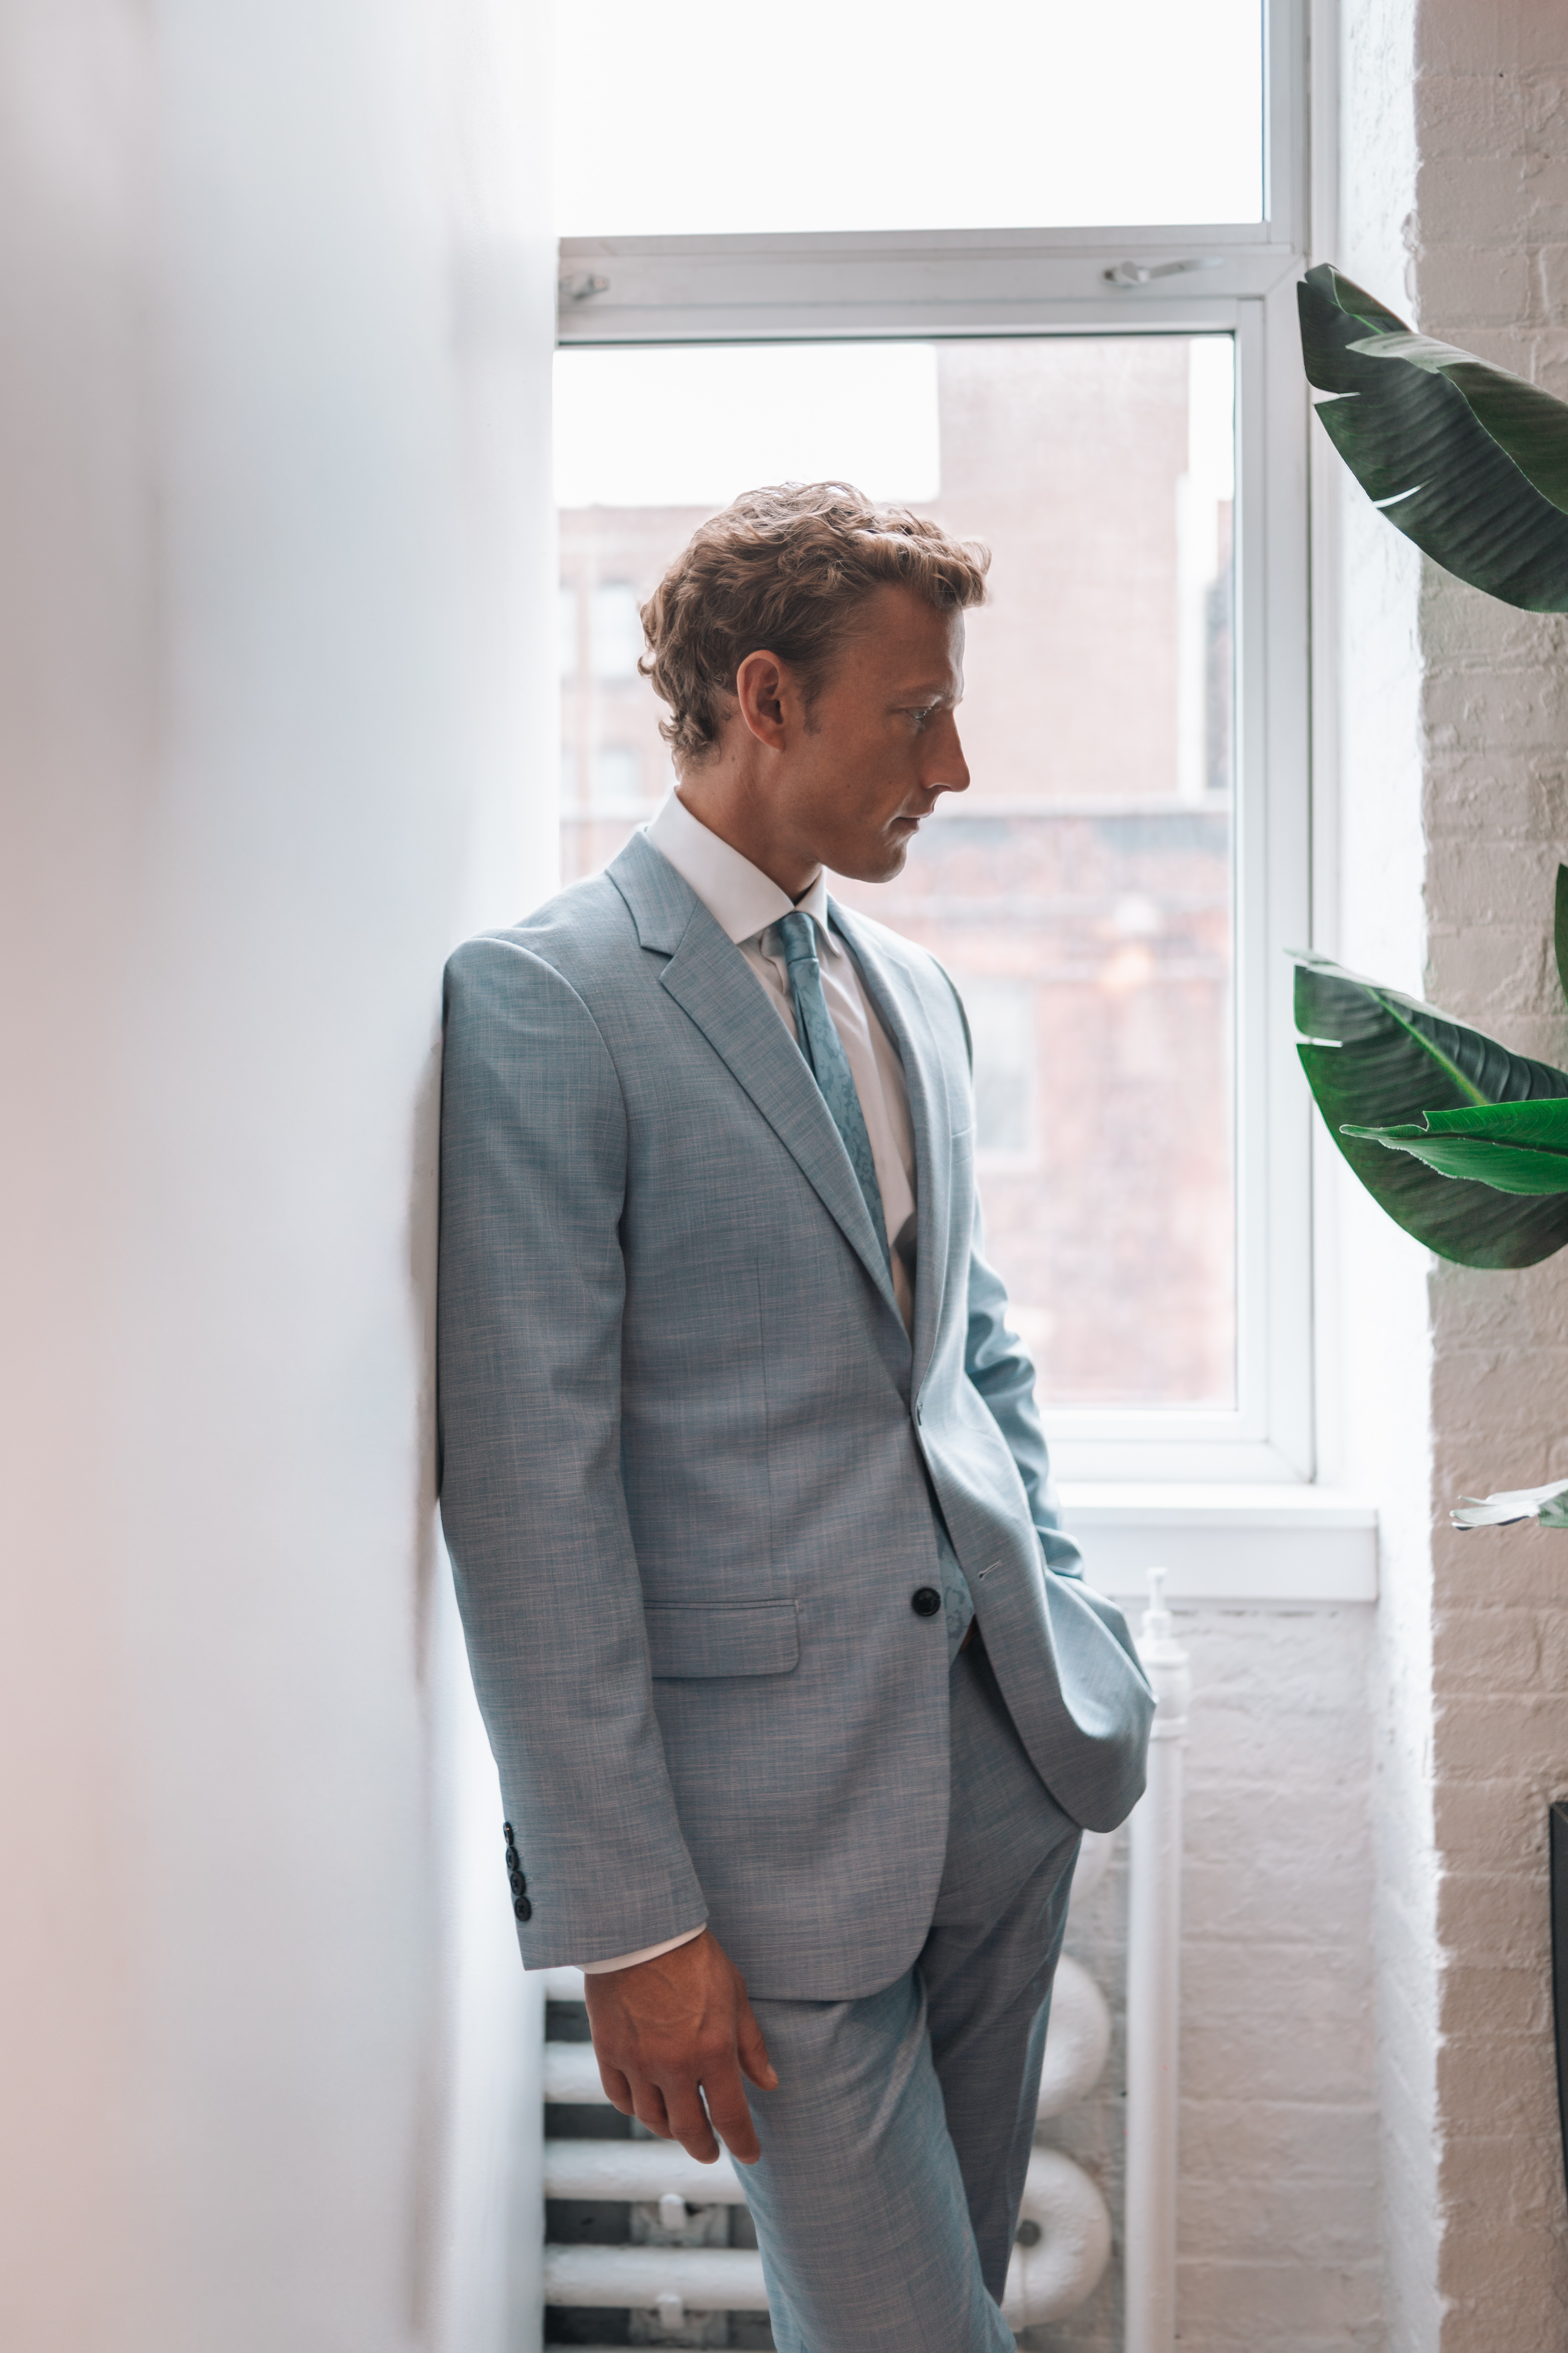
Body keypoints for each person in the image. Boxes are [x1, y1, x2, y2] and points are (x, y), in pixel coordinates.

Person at [437, 481, 1154, 2350]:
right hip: (759, 1864)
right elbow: (530, 1498)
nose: (960, 761)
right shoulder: (547, 1003)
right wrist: (628, 1919)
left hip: (1002, 1781)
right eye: (914, 712)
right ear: (766, 696)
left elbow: (975, 1359)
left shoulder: (910, 992)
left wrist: (1059, 1613)